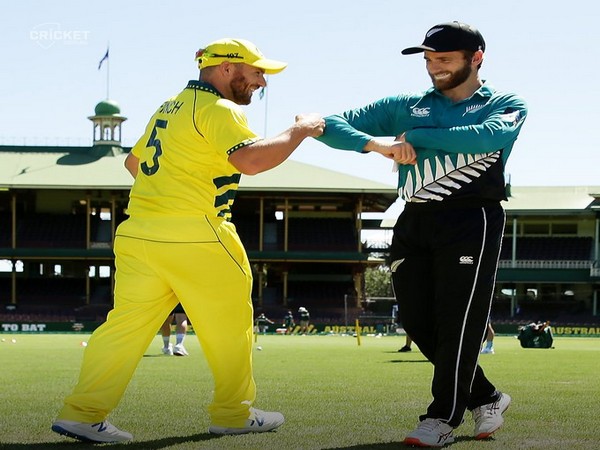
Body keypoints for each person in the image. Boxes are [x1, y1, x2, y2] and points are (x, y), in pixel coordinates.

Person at [51, 38, 324, 444]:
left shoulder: (169, 106)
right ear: (227, 69)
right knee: (231, 328)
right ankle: (233, 414)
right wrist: (300, 130)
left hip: (140, 232)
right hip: (200, 233)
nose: (262, 81)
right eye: (256, 70)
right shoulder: (219, 108)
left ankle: (82, 414)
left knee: (123, 329)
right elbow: (250, 161)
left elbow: (133, 162)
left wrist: (170, 193)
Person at [317, 22, 527, 447]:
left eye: (444, 60)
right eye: (429, 60)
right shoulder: (406, 104)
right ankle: (487, 396)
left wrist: (412, 138)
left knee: (458, 321)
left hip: (472, 219)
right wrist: (377, 146)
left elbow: (491, 135)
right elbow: (330, 125)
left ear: (476, 58)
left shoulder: (504, 102)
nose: (434, 68)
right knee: (415, 319)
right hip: (413, 218)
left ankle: (442, 419)